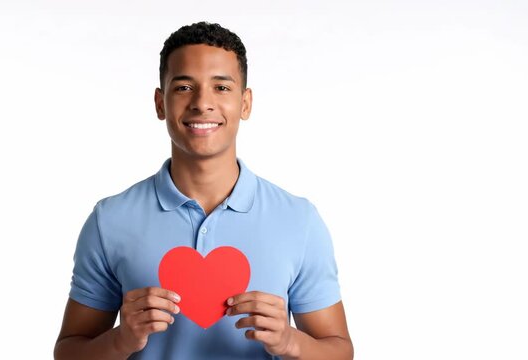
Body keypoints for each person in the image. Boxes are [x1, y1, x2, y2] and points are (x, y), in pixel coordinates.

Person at [54, 21, 353, 360]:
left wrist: (289, 342)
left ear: (245, 103)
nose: (202, 103)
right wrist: (122, 339)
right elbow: (69, 351)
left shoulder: (299, 220)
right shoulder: (110, 220)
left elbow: (339, 350)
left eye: (221, 88)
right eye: (183, 87)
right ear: (160, 103)